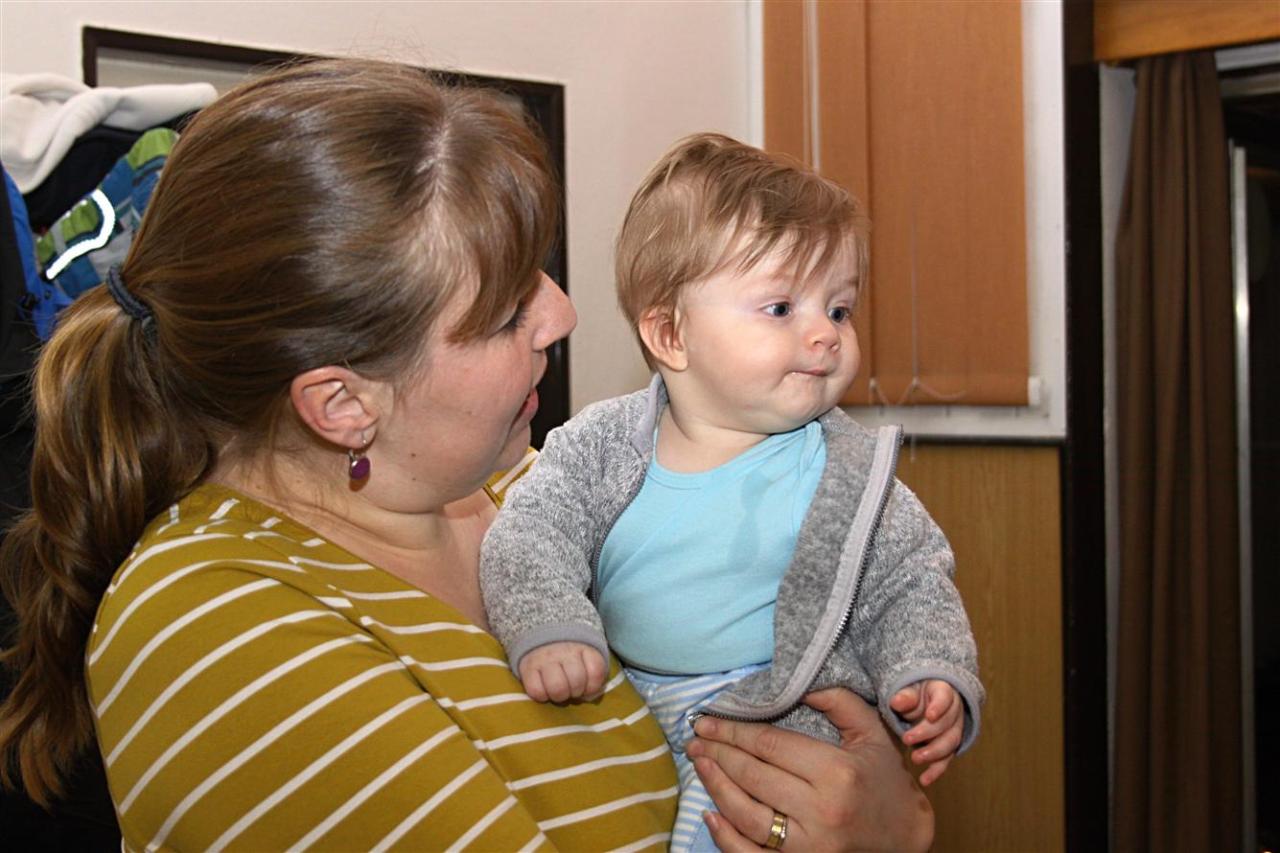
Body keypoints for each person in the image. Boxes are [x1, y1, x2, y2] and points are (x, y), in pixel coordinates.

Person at [0, 60, 935, 851]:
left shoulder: (527, 490)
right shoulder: (215, 632)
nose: (563, 313)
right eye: (505, 311)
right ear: (343, 405)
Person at [481, 133, 983, 851]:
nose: (825, 335)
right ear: (670, 334)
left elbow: (909, 580)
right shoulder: (600, 445)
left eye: (839, 310)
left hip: (787, 710)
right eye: (781, 308)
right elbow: (531, 536)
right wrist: (553, 624)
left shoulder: (846, 470)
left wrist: (930, 672)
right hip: (625, 703)